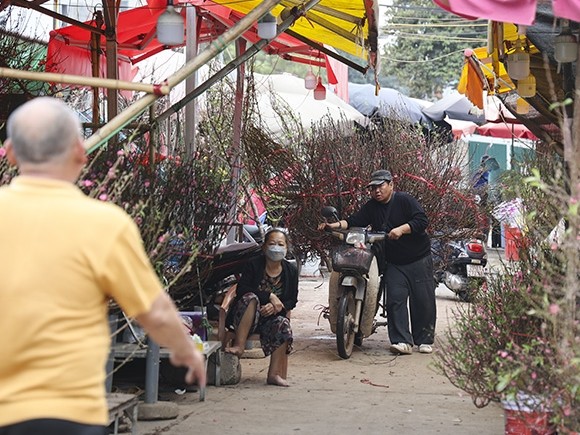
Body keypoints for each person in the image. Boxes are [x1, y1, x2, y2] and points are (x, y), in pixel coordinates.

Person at [0, 97, 206, 435]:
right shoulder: (105, 224)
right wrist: (187, 351)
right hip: (69, 413)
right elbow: (152, 311)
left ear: (9, 152)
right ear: (81, 152)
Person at [319, 169, 436, 355]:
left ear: (391, 184)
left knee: (423, 300)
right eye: (372, 188)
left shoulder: (405, 200)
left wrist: (402, 229)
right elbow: (354, 220)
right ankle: (402, 341)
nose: (377, 191)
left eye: (380, 186)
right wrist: (334, 226)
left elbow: (422, 220)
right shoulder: (371, 206)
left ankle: (424, 339)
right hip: (394, 262)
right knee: (394, 300)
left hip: (418, 259)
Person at [224, 228, 298, 387]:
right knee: (251, 298)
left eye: (280, 244)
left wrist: (277, 307)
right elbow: (242, 289)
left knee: (282, 324)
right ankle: (240, 345)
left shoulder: (291, 270)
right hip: (245, 316)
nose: (276, 247)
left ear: (286, 248)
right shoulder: (253, 264)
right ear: (264, 247)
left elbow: (292, 299)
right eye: (272, 243)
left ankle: (274, 374)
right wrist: (269, 296)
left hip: (270, 319)